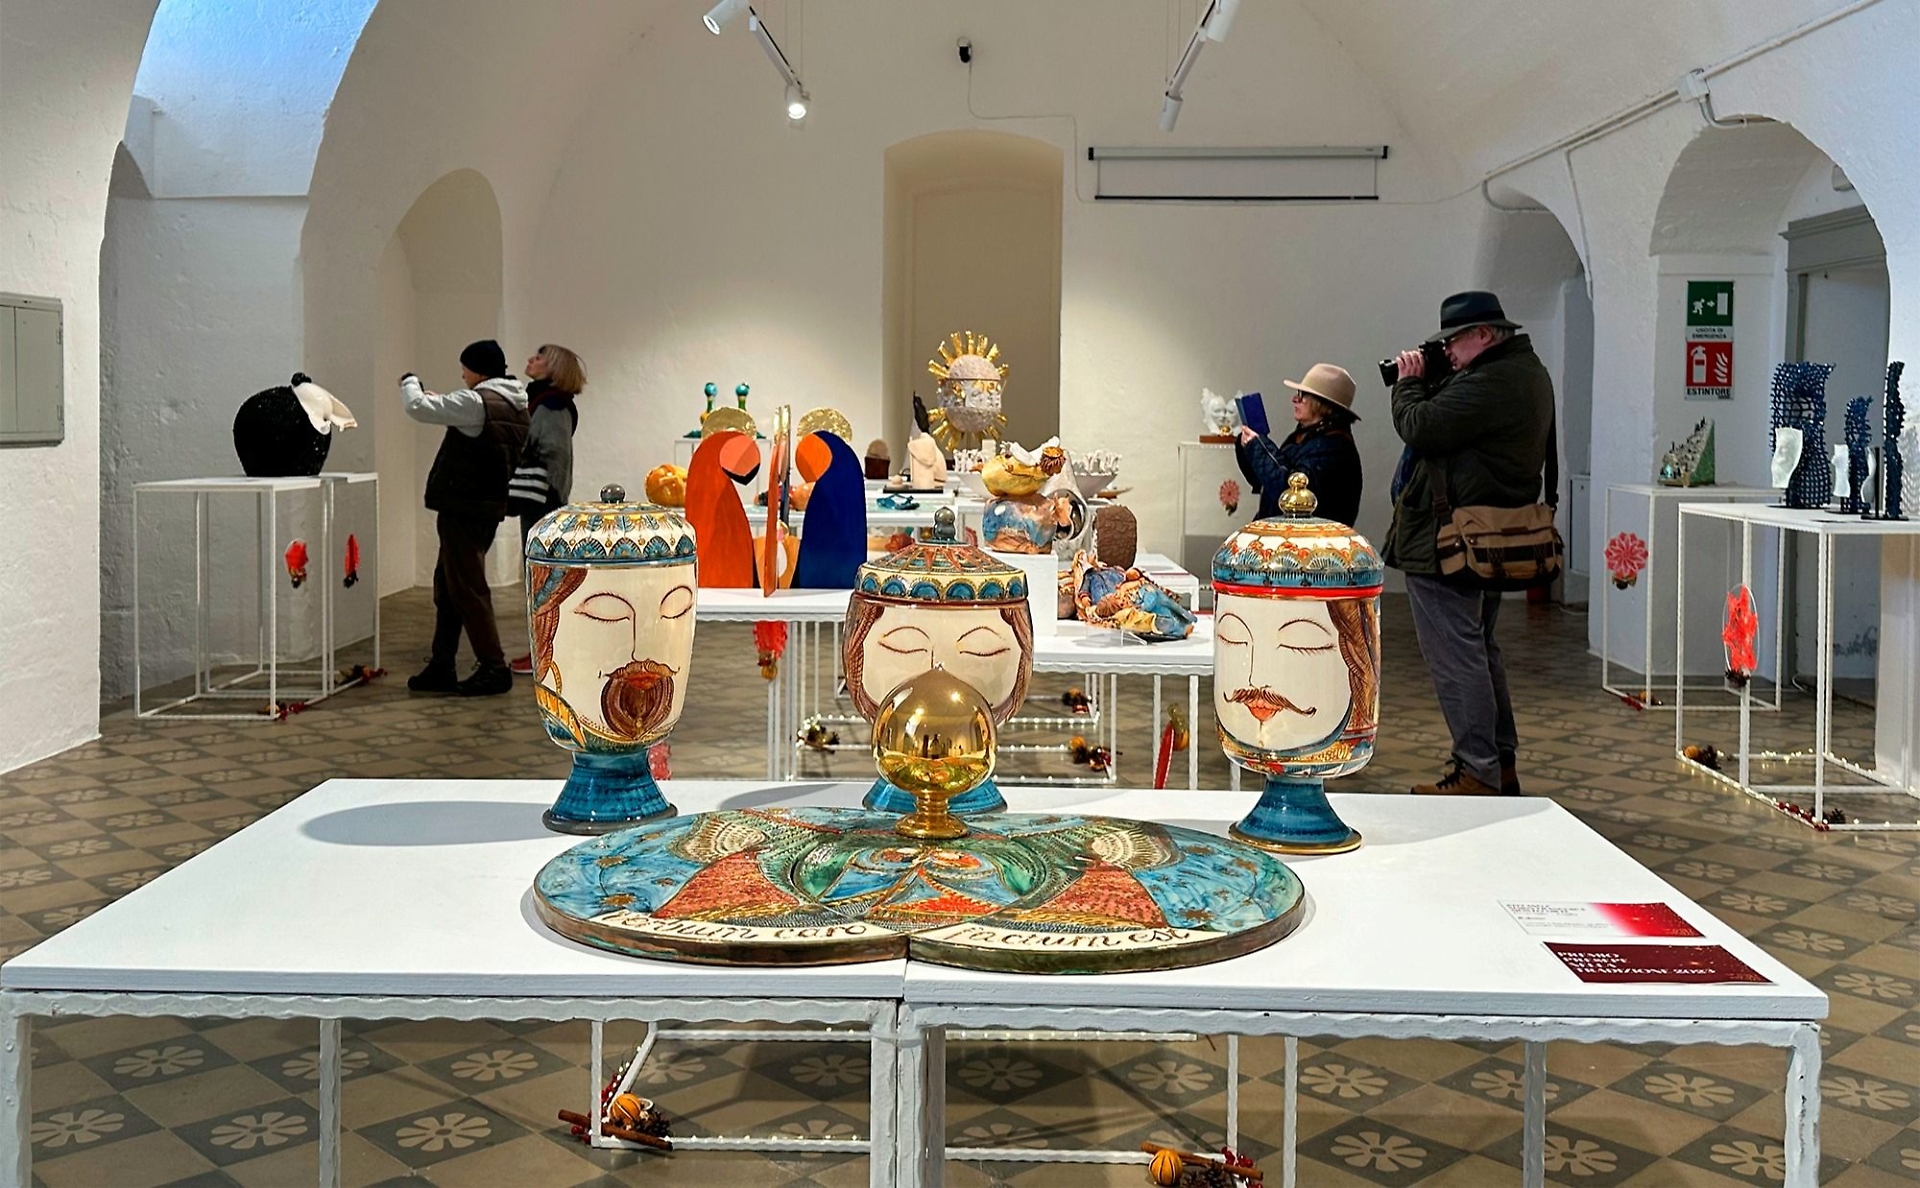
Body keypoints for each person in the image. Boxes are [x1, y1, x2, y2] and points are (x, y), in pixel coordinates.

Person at [1384, 291, 1554, 796]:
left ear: (1483, 335)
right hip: (1487, 536)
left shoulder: (1493, 382)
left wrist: (1408, 384)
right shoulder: (1525, 372)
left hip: (1452, 543)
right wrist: (1441, 376)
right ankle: (1498, 762)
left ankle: (1478, 770)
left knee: (1456, 656)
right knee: (1478, 649)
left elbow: (1420, 426)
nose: (1448, 351)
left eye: (1453, 341)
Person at [400, 339, 529, 697]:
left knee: (468, 589)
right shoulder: (513, 404)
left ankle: (493, 667)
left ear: (478, 370)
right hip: (483, 506)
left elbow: (417, 407)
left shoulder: (476, 402)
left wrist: (410, 382)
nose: (462, 374)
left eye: (465, 368)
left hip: (464, 507)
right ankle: (441, 664)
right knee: (449, 586)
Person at [507, 344, 586, 675]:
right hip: (543, 499)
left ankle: (545, 654)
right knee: (540, 576)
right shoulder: (543, 401)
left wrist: (553, 497)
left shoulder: (552, 405)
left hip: (543, 501)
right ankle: (543, 651)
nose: (531, 359)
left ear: (554, 367)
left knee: (542, 578)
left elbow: (555, 453)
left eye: (539, 357)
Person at [1234, 363, 1364, 526]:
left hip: (1311, 540)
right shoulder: (1307, 437)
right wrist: (1248, 446)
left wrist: (1257, 445)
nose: (1295, 399)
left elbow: (1289, 494)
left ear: (1322, 404)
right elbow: (1264, 481)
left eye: (1302, 394)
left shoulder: (1334, 447)